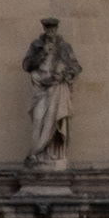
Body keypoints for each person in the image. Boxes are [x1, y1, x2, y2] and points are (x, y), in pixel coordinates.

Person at [22, 18, 81, 167]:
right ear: (44, 30)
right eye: (48, 29)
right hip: (40, 89)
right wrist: (42, 53)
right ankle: (37, 152)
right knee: (38, 119)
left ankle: (52, 156)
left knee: (54, 120)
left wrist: (64, 74)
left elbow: (75, 67)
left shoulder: (64, 47)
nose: (50, 32)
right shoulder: (36, 45)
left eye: (53, 29)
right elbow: (27, 65)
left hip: (57, 88)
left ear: (56, 30)